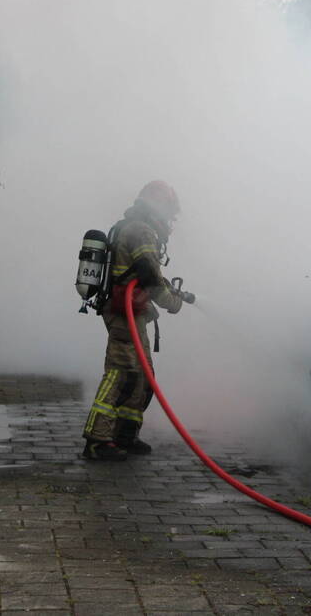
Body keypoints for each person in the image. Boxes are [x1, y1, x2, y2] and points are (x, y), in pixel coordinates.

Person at [82, 180, 192, 461]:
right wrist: (172, 302)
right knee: (119, 372)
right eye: (169, 211)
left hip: (134, 311)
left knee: (142, 375)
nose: (170, 218)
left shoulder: (136, 227)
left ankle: (125, 434)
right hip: (123, 313)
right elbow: (149, 276)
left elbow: (147, 272)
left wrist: (173, 292)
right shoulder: (142, 231)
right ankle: (97, 440)